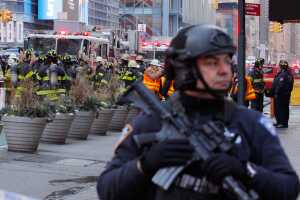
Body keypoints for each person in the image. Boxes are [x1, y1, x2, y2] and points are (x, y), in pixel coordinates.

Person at [97, 25, 299, 200]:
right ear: (185, 69)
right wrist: (145, 165)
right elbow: (107, 189)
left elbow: (288, 187)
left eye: (227, 61)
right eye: (212, 63)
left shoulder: (250, 123)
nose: (224, 70)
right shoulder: (151, 122)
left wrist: (245, 170)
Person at [271, 60, 294, 128]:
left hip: (281, 95)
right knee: (282, 109)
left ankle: (282, 123)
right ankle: (280, 122)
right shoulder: (286, 73)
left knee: (280, 109)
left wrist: (276, 92)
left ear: (282, 66)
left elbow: (280, 85)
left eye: (280, 66)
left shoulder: (284, 74)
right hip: (284, 95)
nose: (279, 67)